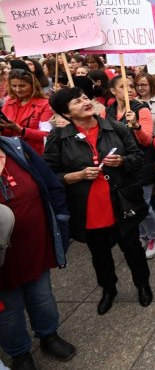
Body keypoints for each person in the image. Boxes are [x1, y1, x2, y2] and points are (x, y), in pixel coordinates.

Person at [44, 88, 153, 315]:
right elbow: (49, 174)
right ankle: (108, 290)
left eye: (85, 97)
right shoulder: (59, 137)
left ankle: (143, 284)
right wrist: (76, 176)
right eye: (76, 101)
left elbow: (138, 158)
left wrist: (122, 161)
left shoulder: (116, 128)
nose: (85, 102)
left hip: (121, 203)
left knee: (132, 249)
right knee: (100, 254)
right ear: (66, 113)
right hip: (88, 208)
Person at [0, 137, 76, 369]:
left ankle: (48, 335)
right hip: (3, 260)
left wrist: (61, 218)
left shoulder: (15, 146)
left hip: (35, 245)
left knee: (42, 297)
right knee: (8, 311)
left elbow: (51, 183)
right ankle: (19, 353)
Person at [106, 76, 155, 259]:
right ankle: (143, 234)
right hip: (121, 165)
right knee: (130, 205)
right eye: (123, 86)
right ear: (113, 91)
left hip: (141, 164)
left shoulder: (141, 109)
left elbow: (147, 140)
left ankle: (154, 237)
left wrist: (136, 125)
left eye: (131, 86)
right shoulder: (109, 110)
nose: (129, 89)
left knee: (144, 205)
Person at [0, 68, 53, 155]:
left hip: (33, 153)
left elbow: (47, 135)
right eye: (14, 86)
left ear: (33, 85)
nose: (17, 90)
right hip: (10, 151)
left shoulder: (45, 105)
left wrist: (20, 130)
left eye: (22, 86)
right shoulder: (9, 102)